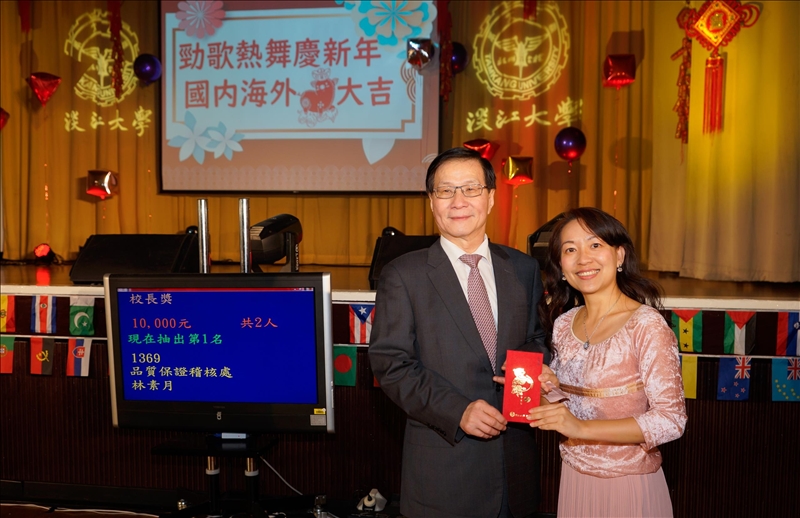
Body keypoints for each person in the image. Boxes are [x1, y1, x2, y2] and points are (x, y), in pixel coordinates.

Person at [368, 147, 550, 518]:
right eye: (445, 190)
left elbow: (537, 338)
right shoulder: (403, 274)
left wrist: (531, 369)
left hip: (516, 468)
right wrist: (458, 410)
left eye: (470, 188)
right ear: (431, 201)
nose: (458, 201)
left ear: (491, 197)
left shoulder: (523, 268)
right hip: (445, 470)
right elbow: (391, 364)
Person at [529, 207, 687, 517]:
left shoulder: (645, 325)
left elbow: (671, 420)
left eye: (595, 245)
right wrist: (544, 387)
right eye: (570, 250)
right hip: (574, 479)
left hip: (628, 484)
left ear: (619, 255)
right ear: (561, 266)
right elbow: (566, 409)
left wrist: (580, 428)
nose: (583, 259)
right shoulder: (564, 323)